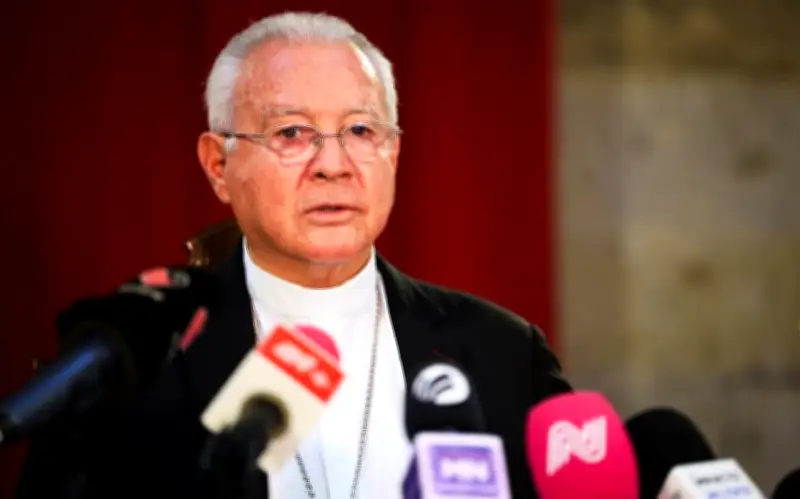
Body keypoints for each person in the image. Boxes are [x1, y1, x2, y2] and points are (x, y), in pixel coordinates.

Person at [15, 11, 571, 499]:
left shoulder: (502, 352)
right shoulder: (139, 362)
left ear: (393, 153)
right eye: (292, 133)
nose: (333, 164)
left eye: (360, 129)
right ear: (218, 166)